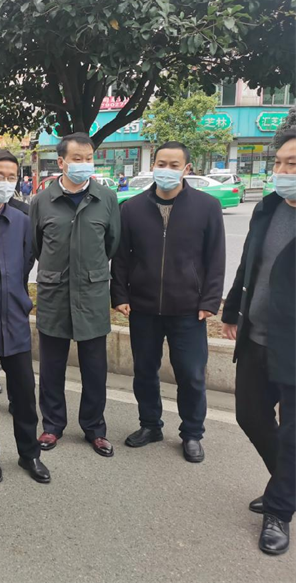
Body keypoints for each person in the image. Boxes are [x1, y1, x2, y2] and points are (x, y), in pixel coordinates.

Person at [111, 141, 225, 463]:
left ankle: (192, 433)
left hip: (189, 309)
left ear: (187, 169)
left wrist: (210, 300)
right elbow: (121, 258)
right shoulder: (131, 208)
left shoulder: (207, 206)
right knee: (145, 371)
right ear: (153, 165)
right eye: (161, 163)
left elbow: (215, 258)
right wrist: (120, 294)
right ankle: (150, 425)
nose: (167, 170)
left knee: (191, 374)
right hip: (143, 308)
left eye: (174, 165)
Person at [223, 127, 296, 556]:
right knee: (250, 415)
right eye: (280, 163)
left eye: (293, 164)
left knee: (293, 434)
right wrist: (232, 309)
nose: (283, 172)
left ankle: (279, 509)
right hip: (256, 336)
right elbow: (250, 265)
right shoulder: (267, 208)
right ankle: (285, 484)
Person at [29, 132, 120, 458]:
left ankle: (94, 428)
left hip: (92, 296)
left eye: (88, 158)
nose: (84, 164)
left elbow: (112, 244)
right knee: (51, 368)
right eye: (77, 159)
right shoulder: (42, 201)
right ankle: (52, 425)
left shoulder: (106, 198)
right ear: (62, 162)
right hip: (54, 296)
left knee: (94, 369)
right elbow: (36, 246)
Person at [0, 150, 48, 485]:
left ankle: (29, 453)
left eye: (11, 177)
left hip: (15, 318)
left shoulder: (22, 221)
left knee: (24, 393)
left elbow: (26, 262)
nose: (5, 182)